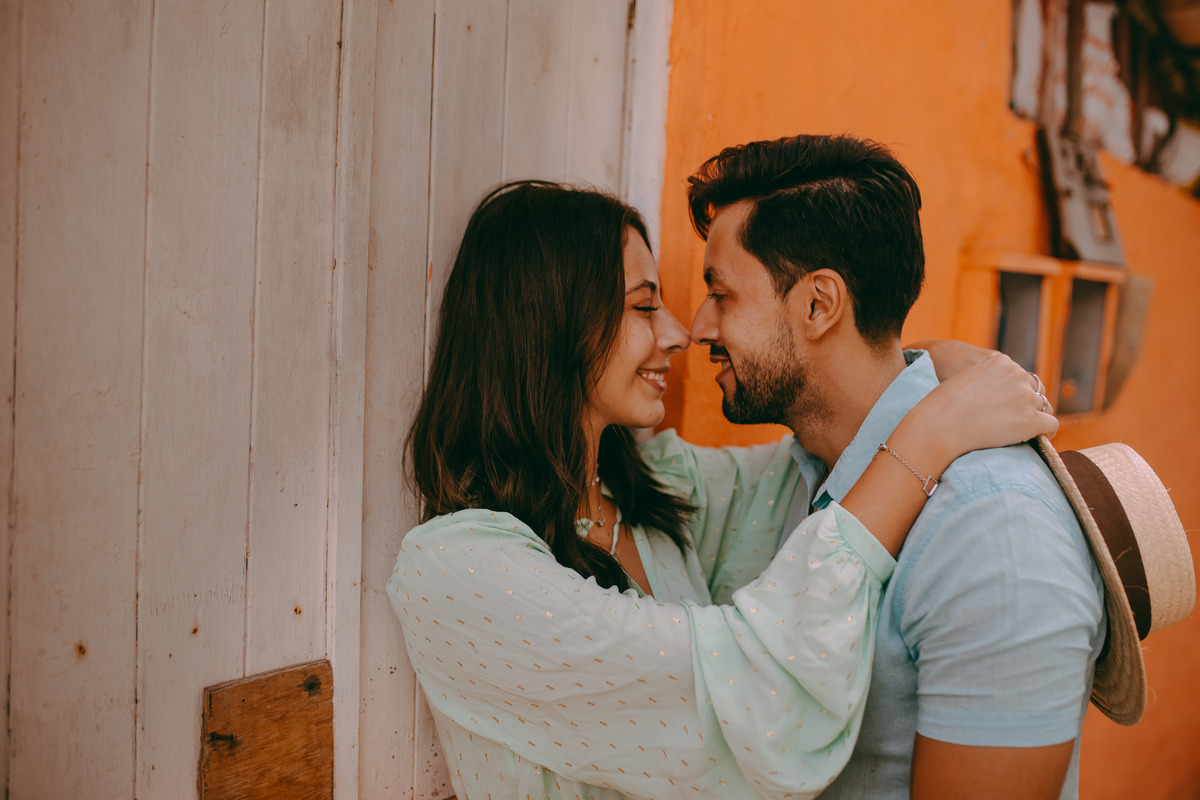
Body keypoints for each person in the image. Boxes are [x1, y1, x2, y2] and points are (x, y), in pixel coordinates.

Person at [388, 180, 1056, 800]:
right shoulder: (458, 573)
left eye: (712, 297)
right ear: (547, 322)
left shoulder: (660, 494)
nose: (680, 332)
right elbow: (756, 696)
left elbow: (843, 419)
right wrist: (931, 434)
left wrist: (933, 368)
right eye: (645, 305)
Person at [685, 134, 1105, 800]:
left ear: (819, 305)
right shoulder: (806, 472)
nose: (697, 327)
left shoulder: (993, 534)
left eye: (722, 295)